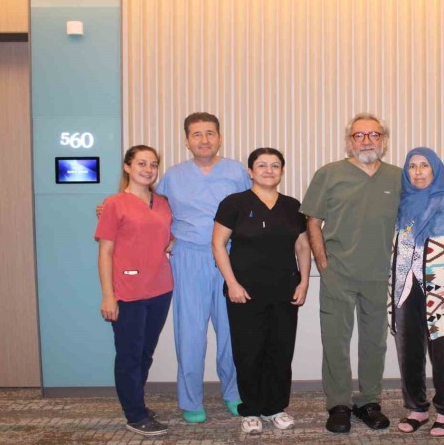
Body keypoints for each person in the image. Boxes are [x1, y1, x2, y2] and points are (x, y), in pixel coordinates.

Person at [99, 113, 250, 422]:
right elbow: (147, 207)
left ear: (219, 138)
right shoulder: (173, 175)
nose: (204, 139)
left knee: (231, 333)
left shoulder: (236, 172)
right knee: (190, 334)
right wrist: (108, 208)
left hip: (229, 258)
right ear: (187, 141)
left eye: (210, 133)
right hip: (188, 259)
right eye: (197, 134)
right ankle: (191, 400)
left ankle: (234, 393)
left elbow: (253, 206)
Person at [301, 113, 401, 433]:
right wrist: (322, 262)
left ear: (384, 140)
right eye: (359, 135)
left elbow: (426, 206)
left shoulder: (398, 177)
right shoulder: (329, 174)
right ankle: (339, 404)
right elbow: (313, 221)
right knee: (335, 341)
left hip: (379, 274)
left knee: (375, 342)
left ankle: (369, 401)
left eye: (374, 135)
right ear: (349, 141)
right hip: (338, 274)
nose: (366, 141)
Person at [212, 148, 311, 434]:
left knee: (280, 350)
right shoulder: (234, 203)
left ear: (282, 171)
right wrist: (232, 283)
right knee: (248, 352)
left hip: (284, 291)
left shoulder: (292, 206)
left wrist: (304, 282)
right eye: (262, 165)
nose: (269, 170)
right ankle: (251, 410)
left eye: (275, 165)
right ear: (250, 171)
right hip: (245, 292)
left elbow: (302, 246)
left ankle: (275, 408)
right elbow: (218, 244)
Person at [389, 147, 444, 438]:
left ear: (436, 169)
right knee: (409, 353)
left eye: (424, 165)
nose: (418, 172)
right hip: (406, 289)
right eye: (412, 166)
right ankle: (417, 408)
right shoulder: (402, 203)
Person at [95, 145, 173, 437]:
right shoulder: (114, 204)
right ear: (127, 167)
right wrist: (108, 295)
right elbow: (105, 252)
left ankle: (136, 403)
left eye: (153, 164)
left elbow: (172, 235)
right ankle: (135, 415)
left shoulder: (163, 203)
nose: (148, 169)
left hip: (160, 288)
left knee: (145, 354)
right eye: (141, 163)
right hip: (127, 292)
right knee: (129, 355)